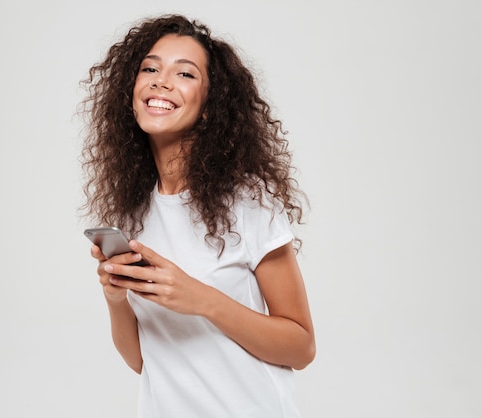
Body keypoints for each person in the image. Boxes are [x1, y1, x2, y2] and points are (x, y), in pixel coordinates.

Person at [79, 13, 315, 418]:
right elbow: (142, 361)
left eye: (184, 74)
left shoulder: (249, 202)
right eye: (150, 68)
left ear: (209, 107)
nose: (160, 81)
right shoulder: (131, 213)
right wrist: (115, 297)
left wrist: (200, 299)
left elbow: (301, 347)